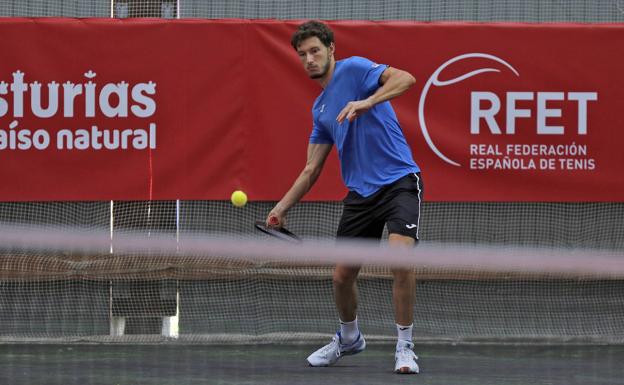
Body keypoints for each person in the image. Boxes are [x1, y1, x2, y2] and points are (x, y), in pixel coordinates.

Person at [266, 20, 423, 374]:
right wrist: (280, 208)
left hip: (399, 180)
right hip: (361, 194)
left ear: (331, 49)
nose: (309, 59)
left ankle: (405, 346)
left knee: (401, 259)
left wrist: (368, 101)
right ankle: (350, 338)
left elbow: (406, 79)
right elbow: (311, 169)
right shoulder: (320, 110)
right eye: (302, 54)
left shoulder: (354, 70)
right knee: (341, 276)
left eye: (315, 51)